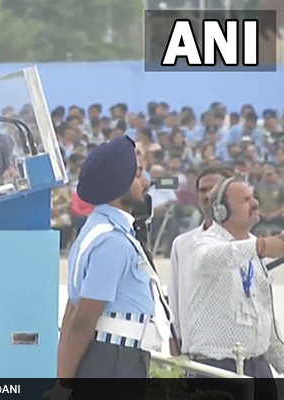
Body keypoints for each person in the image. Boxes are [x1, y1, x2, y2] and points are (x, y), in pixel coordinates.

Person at [45, 135, 170, 400]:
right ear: (118, 182)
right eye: (138, 174)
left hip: (116, 358)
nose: (146, 182)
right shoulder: (112, 242)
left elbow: (73, 310)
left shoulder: (99, 231)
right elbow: (83, 320)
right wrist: (63, 386)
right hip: (114, 361)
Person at [187, 176, 284, 377]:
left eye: (253, 197)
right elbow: (206, 258)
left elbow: (266, 322)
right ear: (222, 211)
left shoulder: (259, 251)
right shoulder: (204, 242)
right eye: (246, 200)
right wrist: (261, 247)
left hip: (258, 366)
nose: (255, 203)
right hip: (215, 368)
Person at [168, 167, 232, 355]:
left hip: (236, 351)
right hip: (196, 351)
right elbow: (175, 300)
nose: (207, 195)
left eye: (214, 189)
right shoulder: (182, 244)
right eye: (203, 190)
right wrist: (174, 348)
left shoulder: (251, 245)